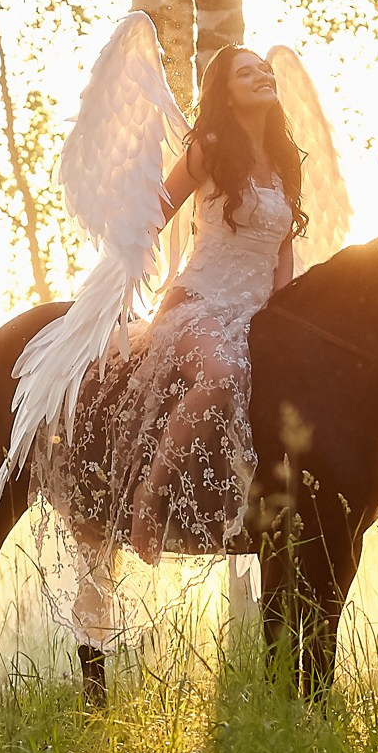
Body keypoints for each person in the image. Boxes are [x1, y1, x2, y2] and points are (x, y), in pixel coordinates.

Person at [36, 45, 311, 640]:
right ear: (225, 90)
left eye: (264, 69)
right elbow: (157, 210)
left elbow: (283, 247)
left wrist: (282, 307)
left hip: (257, 310)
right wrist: (126, 273)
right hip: (198, 304)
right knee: (221, 376)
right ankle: (147, 499)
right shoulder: (210, 150)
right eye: (246, 72)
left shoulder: (287, 160)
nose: (262, 75)